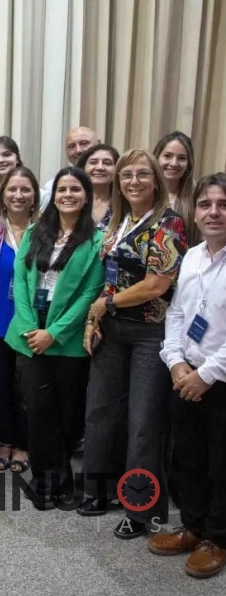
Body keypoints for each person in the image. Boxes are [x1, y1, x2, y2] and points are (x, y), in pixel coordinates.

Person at [80, 149, 188, 539]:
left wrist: (105, 305)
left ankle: (140, 510)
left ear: (156, 180)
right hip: (111, 329)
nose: (134, 181)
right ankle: (98, 490)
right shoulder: (117, 220)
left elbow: (157, 284)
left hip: (149, 333)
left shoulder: (170, 223)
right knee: (100, 413)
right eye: (126, 175)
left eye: (143, 174)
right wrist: (94, 318)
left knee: (143, 424)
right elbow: (108, 276)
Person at [5, 167, 105, 508]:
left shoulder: (97, 241)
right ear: (54, 195)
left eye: (75, 189)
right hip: (30, 332)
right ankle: (45, 480)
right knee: (37, 411)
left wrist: (54, 333)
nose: (68, 195)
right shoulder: (36, 232)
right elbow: (20, 279)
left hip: (67, 337)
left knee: (67, 414)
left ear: (86, 196)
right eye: (62, 189)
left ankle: (61, 480)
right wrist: (30, 326)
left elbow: (90, 293)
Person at [154, 173, 226, 578]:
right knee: (189, 458)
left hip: (220, 380)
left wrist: (207, 373)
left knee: (221, 463)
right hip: (186, 375)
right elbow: (178, 313)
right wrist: (176, 361)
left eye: (223, 204)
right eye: (205, 204)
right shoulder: (193, 256)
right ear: (194, 212)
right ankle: (194, 527)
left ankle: (218, 537)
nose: (214, 212)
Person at [0, 166, 39, 474]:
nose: (18, 195)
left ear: (34, 196)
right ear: (2, 196)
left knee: (27, 387)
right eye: (12, 189)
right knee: (0, 384)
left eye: (25, 189)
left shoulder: (46, 232)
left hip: (31, 323)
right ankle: (5, 440)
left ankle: (25, 443)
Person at [154, 131, 199, 245]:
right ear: (156, 158)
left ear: (188, 164)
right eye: (167, 156)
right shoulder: (142, 193)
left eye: (181, 158)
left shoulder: (197, 197)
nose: (174, 163)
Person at [76, 143, 119, 229]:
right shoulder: (73, 201)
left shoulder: (124, 204)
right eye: (93, 162)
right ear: (83, 168)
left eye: (107, 163)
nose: (100, 167)